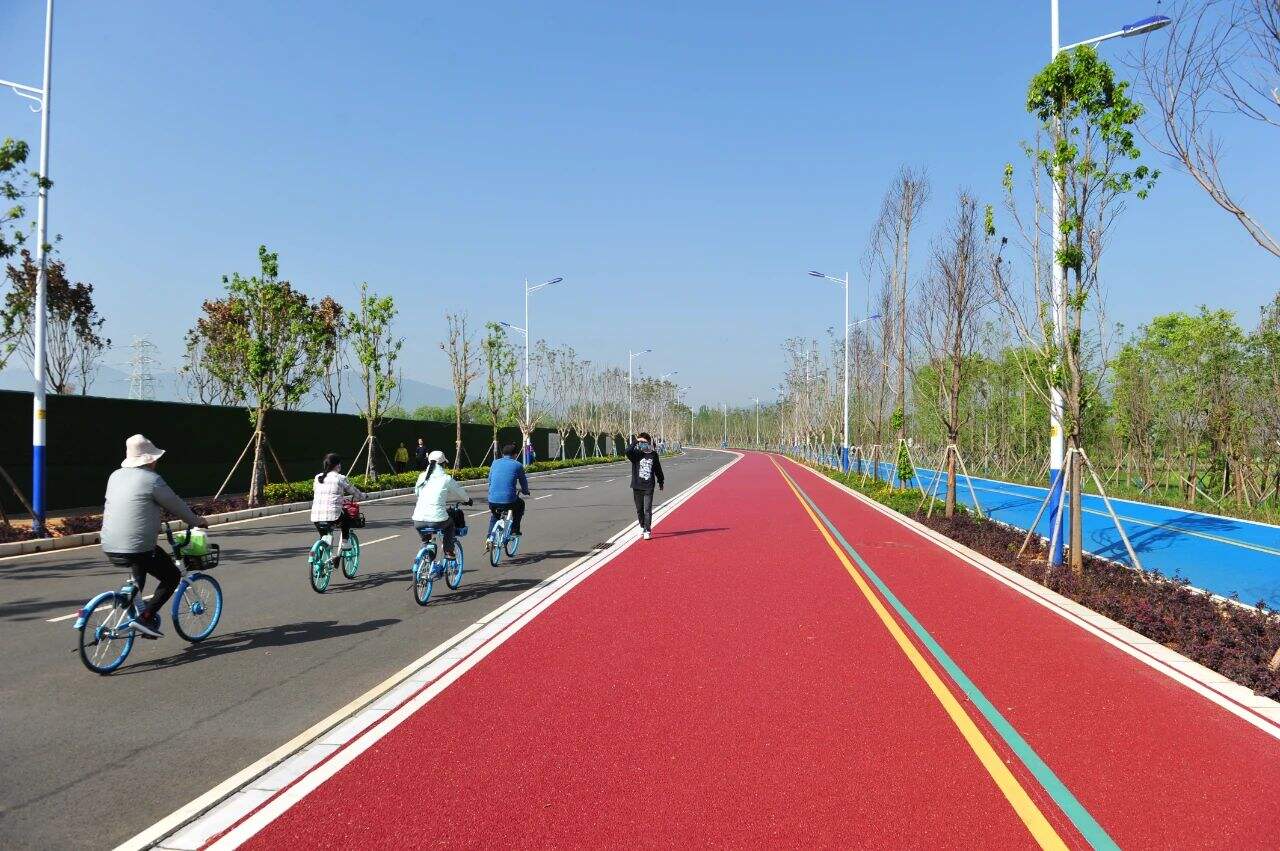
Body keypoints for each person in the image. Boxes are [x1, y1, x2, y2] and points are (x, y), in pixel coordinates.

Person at [100, 434, 210, 639]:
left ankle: (133, 604)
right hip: (139, 546)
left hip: (109, 543)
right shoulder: (152, 480)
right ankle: (145, 618)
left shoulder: (114, 476)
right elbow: (176, 505)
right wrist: (197, 521)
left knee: (138, 574)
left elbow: (132, 505)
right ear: (149, 459)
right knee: (172, 576)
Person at [310, 452, 366, 569]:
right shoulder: (340, 478)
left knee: (324, 537)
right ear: (337, 465)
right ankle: (345, 542)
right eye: (339, 464)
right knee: (346, 518)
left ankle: (321, 558)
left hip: (316, 516)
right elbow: (353, 491)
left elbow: (319, 492)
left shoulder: (318, 477)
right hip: (333, 515)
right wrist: (362, 496)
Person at [412, 450, 472, 558]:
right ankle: (448, 551)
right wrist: (468, 500)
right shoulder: (446, 479)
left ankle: (426, 551)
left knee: (426, 539)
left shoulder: (422, 476)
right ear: (443, 464)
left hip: (418, 520)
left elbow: (417, 492)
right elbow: (460, 493)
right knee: (450, 525)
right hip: (437, 520)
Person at [487, 443, 530, 546]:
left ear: (503, 454)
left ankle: (489, 538)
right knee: (520, 504)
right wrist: (525, 491)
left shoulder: (494, 463)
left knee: (495, 515)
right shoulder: (517, 465)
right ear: (515, 455)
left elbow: (490, 480)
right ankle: (515, 530)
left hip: (492, 499)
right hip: (509, 500)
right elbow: (523, 482)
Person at [627, 432, 664, 540]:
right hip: (637, 486)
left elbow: (657, 469)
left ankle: (647, 530)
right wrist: (636, 441)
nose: (642, 444)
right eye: (641, 442)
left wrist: (661, 481)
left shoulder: (653, 454)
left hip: (649, 486)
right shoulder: (636, 454)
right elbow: (627, 451)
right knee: (639, 509)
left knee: (647, 509)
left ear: (648, 442)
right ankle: (642, 526)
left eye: (644, 442)